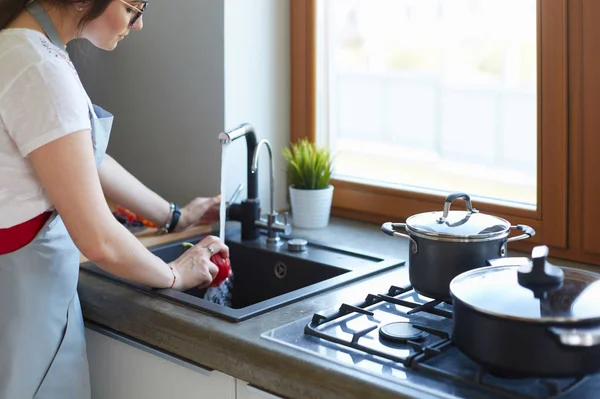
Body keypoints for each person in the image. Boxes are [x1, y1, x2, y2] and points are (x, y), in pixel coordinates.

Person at [0, 1, 230, 398]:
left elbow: (80, 157)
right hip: (29, 310)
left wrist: (174, 216)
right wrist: (175, 273)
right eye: (133, 8)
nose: (138, 25)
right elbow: (97, 238)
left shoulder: (18, 48)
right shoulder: (42, 69)